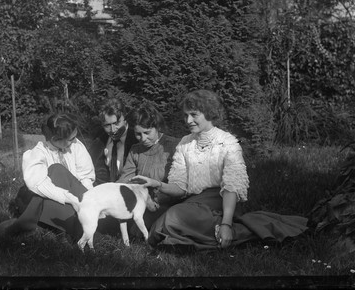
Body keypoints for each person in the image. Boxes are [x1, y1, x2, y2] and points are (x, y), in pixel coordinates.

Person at [132, 89, 308, 250]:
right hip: (192, 205)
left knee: (172, 219)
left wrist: (226, 224)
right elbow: (180, 187)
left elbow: (232, 187)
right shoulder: (185, 143)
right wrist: (157, 184)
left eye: (194, 115)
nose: (188, 121)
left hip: (222, 203)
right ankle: (216, 234)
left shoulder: (227, 142)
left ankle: (233, 230)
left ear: (209, 113)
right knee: (150, 227)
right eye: (186, 115)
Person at [0, 113, 94, 240]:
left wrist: (89, 198)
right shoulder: (40, 153)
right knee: (56, 171)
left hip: (75, 193)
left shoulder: (76, 146)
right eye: (70, 139)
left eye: (75, 137)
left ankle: (31, 223)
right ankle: (76, 229)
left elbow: (85, 175)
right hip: (53, 196)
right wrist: (69, 198)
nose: (74, 141)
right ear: (55, 139)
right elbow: (39, 184)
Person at [116, 103, 180, 230]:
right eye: (138, 134)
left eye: (147, 132)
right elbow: (125, 180)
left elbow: (180, 186)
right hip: (142, 202)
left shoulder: (173, 146)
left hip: (169, 204)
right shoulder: (135, 150)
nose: (143, 139)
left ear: (157, 127)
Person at [88, 98, 138, 185]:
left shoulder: (137, 140)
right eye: (107, 125)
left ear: (125, 119)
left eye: (116, 123)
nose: (113, 130)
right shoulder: (98, 141)